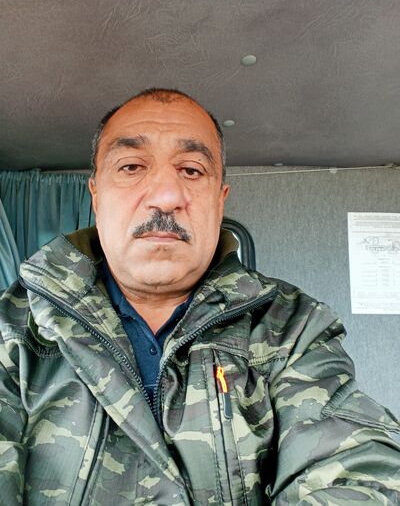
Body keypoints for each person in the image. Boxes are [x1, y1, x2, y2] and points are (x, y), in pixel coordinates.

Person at [0, 88, 399, 506]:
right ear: (96, 196)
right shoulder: (15, 326)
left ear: (220, 200)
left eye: (191, 170)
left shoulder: (292, 326)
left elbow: (361, 471)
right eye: (132, 166)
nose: (166, 197)